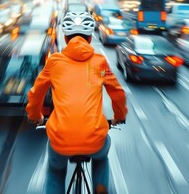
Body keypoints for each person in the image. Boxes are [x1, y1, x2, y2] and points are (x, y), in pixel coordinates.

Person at [26, 12, 128, 194]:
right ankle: (101, 190)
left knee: (55, 169)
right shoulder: (99, 64)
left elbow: (36, 94)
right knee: (101, 157)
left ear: (65, 37)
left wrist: (36, 117)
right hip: (94, 138)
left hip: (60, 139)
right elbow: (117, 93)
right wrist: (118, 117)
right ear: (90, 38)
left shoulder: (54, 63)